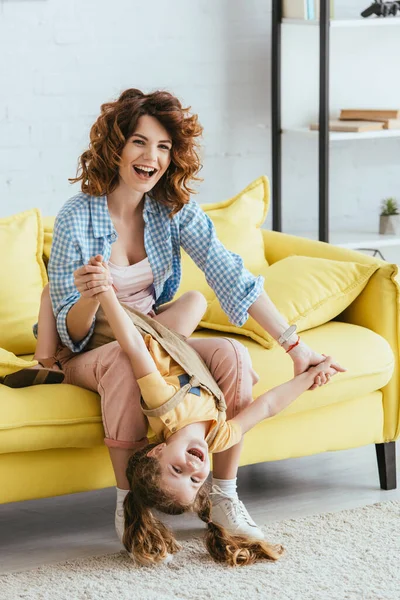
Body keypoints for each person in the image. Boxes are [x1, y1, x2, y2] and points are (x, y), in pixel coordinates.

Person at [6, 88, 345, 543]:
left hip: (150, 334)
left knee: (231, 354)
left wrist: (295, 347)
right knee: (127, 361)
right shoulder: (77, 218)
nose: (152, 157)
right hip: (91, 346)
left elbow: (230, 274)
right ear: (117, 147)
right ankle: (131, 506)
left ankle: (224, 496)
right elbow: (72, 327)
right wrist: (94, 295)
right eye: (140, 142)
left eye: (163, 146)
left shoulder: (172, 210)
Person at [91, 260, 339, 566]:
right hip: (167, 340)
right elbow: (267, 406)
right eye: (196, 481)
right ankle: (222, 499)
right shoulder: (219, 437)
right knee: (197, 308)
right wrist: (309, 378)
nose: (193, 469)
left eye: (176, 470)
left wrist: (105, 293)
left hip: (136, 328)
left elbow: (135, 347)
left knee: (194, 302)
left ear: (157, 452)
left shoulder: (165, 406)